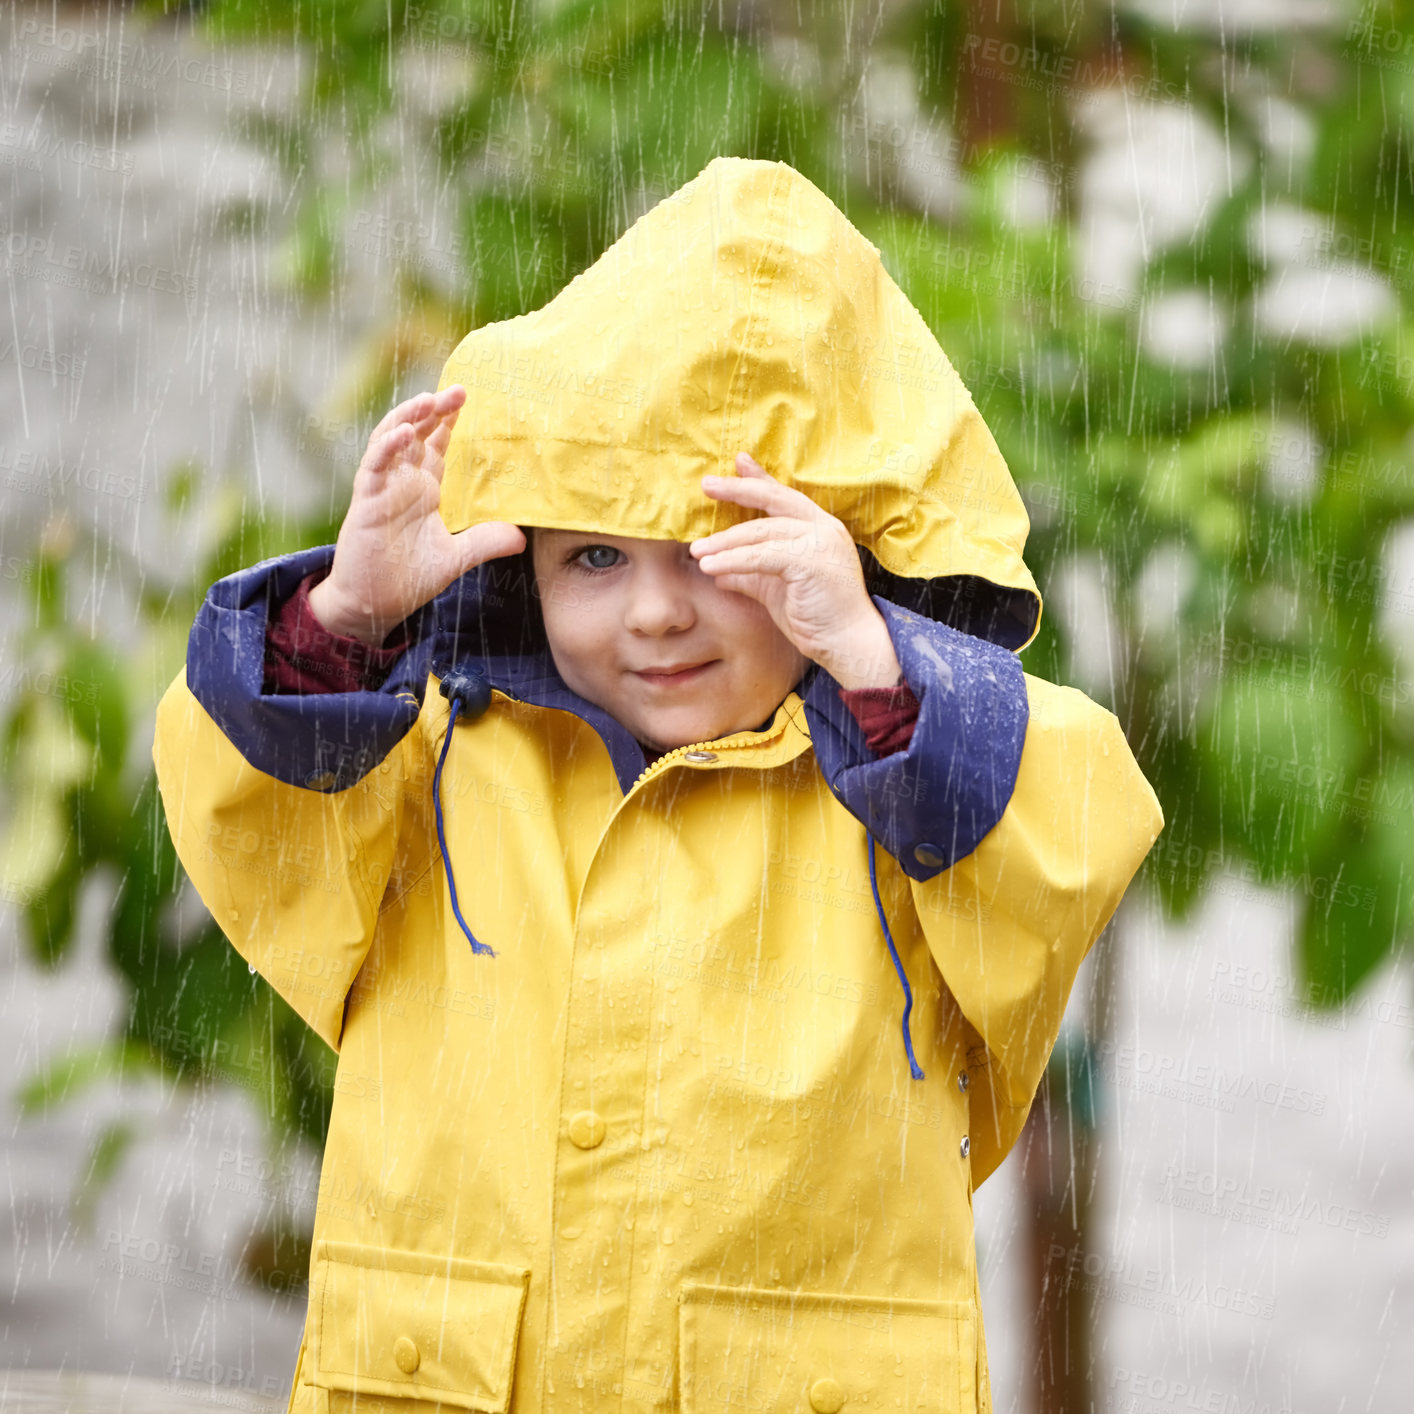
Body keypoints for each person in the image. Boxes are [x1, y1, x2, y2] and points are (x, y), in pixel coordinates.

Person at [154, 157, 1163, 1414]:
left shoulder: (911, 789)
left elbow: (1065, 849)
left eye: (721, 548)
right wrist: (347, 618)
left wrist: (873, 660)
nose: (653, 613)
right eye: (589, 555)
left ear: (841, 550)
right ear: (522, 564)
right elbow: (246, 815)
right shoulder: (426, 758)